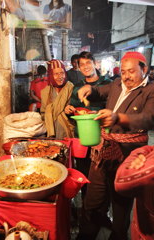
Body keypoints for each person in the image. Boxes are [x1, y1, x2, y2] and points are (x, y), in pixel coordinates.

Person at [76, 51, 154, 240]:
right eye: (124, 72)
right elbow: (98, 92)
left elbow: (148, 119)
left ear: (144, 69)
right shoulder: (117, 84)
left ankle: (118, 236)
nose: (126, 76)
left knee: (121, 204)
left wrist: (117, 117)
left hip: (127, 157)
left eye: (131, 71)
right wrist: (88, 89)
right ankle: (87, 233)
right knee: (93, 198)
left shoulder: (150, 91)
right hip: (104, 153)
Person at [65, 51, 111, 198]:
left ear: (94, 63)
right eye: (82, 64)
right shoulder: (77, 87)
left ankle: (102, 211)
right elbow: (72, 110)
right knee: (84, 175)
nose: (85, 67)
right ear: (78, 67)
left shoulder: (107, 84)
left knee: (103, 177)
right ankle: (86, 211)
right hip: (83, 138)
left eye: (88, 63)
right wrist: (68, 110)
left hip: (103, 138)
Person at [40, 59, 74, 139]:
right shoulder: (46, 92)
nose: (60, 77)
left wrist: (69, 111)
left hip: (67, 131)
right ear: (51, 75)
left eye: (62, 73)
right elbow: (43, 114)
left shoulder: (71, 88)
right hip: (51, 132)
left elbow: (77, 109)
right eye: (56, 74)